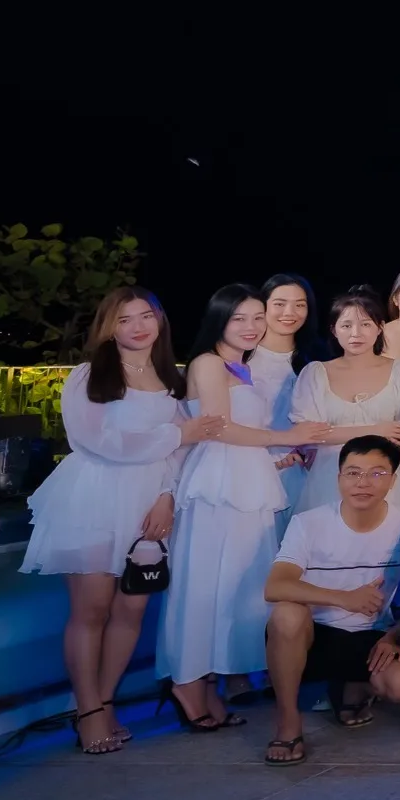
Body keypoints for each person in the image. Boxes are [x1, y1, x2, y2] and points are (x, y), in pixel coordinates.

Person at [24, 287, 222, 754]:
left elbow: (183, 451)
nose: (137, 326)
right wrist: (176, 433)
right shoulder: (88, 375)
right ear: (108, 327)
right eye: (125, 318)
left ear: (160, 320)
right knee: (91, 609)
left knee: (132, 608)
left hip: (150, 502)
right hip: (95, 497)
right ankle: (87, 710)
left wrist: (167, 495)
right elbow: (96, 441)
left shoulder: (171, 378)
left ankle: (107, 700)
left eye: (146, 316)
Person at [159, 285, 335, 732]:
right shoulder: (207, 363)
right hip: (218, 485)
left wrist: (278, 454)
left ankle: (207, 683)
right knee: (204, 586)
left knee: (234, 586)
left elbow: (245, 431)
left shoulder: (243, 365)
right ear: (219, 320)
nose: (251, 326)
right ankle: (186, 682)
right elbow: (218, 429)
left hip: (247, 480)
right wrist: (288, 438)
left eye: (258, 317)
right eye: (239, 318)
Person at [262, 434, 400, 763]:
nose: (363, 483)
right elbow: (275, 586)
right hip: (314, 636)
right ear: (339, 478)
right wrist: (343, 598)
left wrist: (395, 635)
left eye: (376, 473)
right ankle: (288, 721)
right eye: (353, 473)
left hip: (373, 636)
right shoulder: (308, 523)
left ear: (392, 480)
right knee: (286, 614)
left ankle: (352, 686)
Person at [288, 288, 400, 516]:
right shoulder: (315, 373)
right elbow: (307, 434)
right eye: (346, 325)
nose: (356, 333)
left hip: (387, 478)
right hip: (330, 478)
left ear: (380, 327)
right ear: (334, 330)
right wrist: (377, 430)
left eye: (365, 324)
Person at [254, 274, 318, 510]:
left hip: (301, 475)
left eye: (300, 305)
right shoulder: (241, 358)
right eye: (280, 304)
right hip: (253, 472)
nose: (290, 313)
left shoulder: (318, 359)